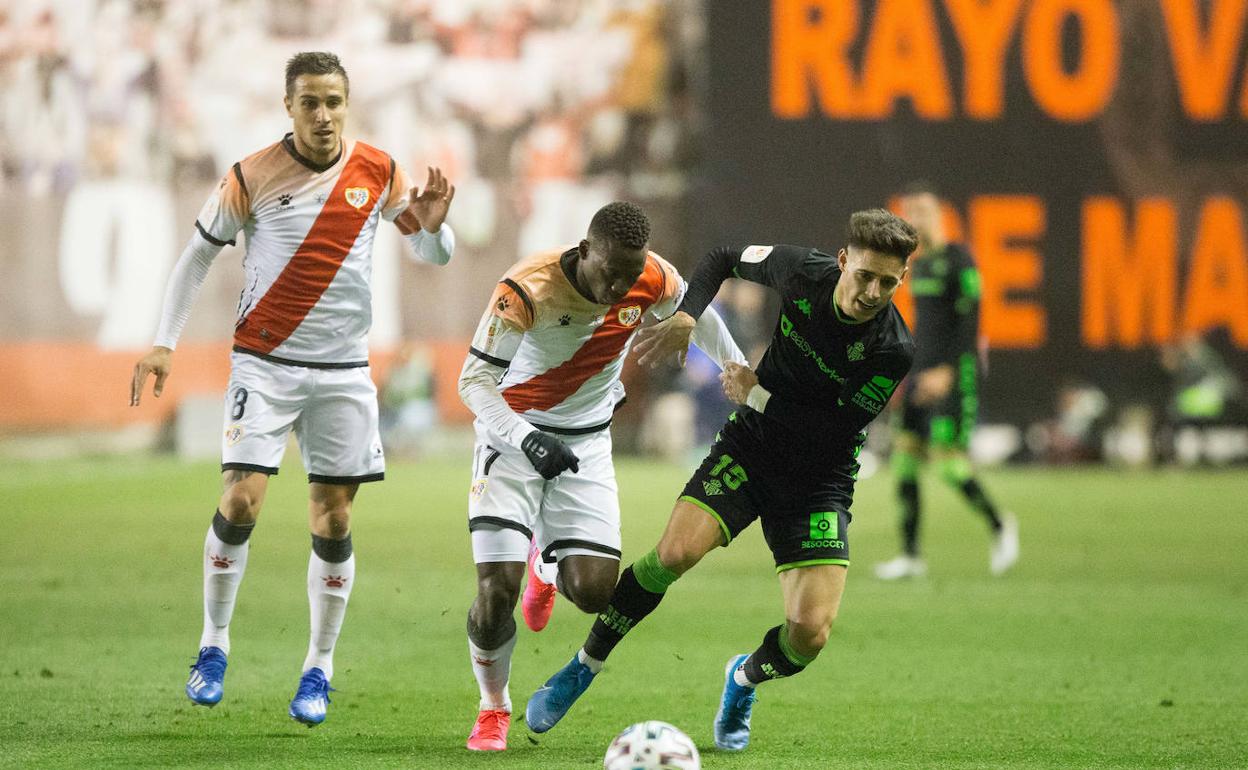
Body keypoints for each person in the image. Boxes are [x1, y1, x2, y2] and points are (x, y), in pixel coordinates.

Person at [128, 51, 456, 726]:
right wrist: (164, 341)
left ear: (347, 102)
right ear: (289, 107)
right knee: (241, 499)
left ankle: (318, 667)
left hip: (341, 372)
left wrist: (434, 223)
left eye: (334, 101)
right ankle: (213, 645)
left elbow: (431, 253)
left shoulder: (379, 170)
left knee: (333, 519)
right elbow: (196, 259)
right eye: (310, 102)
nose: (324, 114)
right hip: (265, 365)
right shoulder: (251, 174)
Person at [524, 209, 918, 752]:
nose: (872, 292)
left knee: (809, 635)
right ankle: (583, 665)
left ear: (902, 281)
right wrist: (687, 315)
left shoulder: (893, 349)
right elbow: (721, 258)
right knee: (674, 554)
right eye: (865, 275)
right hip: (753, 446)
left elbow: (832, 431)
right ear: (844, 260)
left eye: (887, 283)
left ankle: (743, 679)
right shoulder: (803, 270)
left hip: (819, 480)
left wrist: (754, 393)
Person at [456, 201, 743, 751]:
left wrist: (735, 369)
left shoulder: (649, 275)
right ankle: (493, 707)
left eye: (631, 275)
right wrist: (525, 437)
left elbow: (696, 314)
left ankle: (547, 560)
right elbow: (474, 383)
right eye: (611, 271)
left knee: (594, 592)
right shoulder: (525, 288)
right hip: (512, 440)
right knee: (495, 596)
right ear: (585, 250)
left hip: (586, 443)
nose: (620, 286)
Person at [874, 182, 1018, 580]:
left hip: (955, 373)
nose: (916, 219)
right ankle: (910, 555)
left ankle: (1000, 525)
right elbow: (926, 327)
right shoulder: (918, 264)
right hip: (921, 371)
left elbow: (970, 324)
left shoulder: (960, 260)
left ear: (939, 215)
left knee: (949, 465)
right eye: (910, 212)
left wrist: (948, 371)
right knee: (904, 462)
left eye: (922, 211)